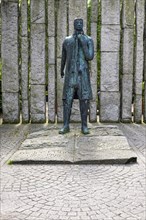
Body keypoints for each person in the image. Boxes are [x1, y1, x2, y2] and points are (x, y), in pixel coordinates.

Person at [59, 18, 94, 135]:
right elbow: (63, 57)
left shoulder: (88, 39)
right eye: (76, 23)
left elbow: (89, 57)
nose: (79, 24)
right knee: (67, 100)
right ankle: (65, 125)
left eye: (81, 22)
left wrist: (83, 43)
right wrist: (61, 69)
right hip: (70, 75)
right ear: (73, 24)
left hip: (82, 75)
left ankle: (84, 126)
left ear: (83, 24)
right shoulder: (67, 40)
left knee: (84, 101)